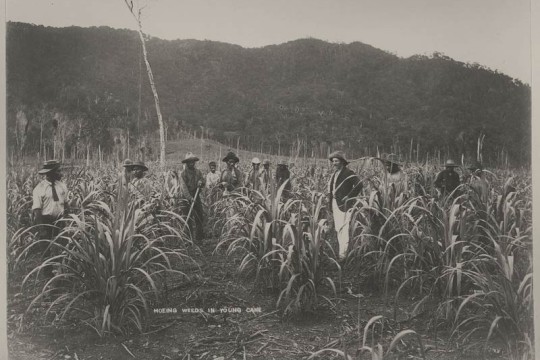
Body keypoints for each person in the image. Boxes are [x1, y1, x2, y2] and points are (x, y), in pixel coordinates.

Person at [327, 151, 363, 260]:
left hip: (345, 205)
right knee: (338, 228)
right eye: (333, 161)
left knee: (344, 228)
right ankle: (341, 253)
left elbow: (359, 184)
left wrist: (349, 196)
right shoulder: (335, 174)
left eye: (336, 161)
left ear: (342, 162)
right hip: (335, 203)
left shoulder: (348, 172)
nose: (334, 163)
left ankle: (343, 256)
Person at [179, 152, 206, 242]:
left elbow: (203, 180)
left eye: (193, 161)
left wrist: (201, 182)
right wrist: (190, 198)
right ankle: (188, 239)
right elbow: (184, 188)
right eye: (189, 162)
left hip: (196, 195)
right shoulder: (183, 174)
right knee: (187, 218)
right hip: (186, 198)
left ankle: (199, 238)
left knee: (199, 217)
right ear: (186, 163)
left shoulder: (198, 172)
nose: (191, 163)